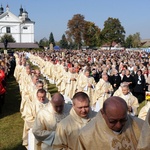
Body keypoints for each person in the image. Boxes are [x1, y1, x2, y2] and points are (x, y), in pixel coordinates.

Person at [77, 96, 144, 150]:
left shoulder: (140, 126)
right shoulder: (86, 136)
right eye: (112, 121)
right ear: (103, 113)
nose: (118, 125)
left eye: (123, 120)